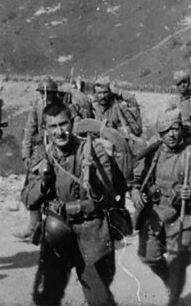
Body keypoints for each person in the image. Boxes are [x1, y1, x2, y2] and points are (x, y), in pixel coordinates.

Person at [21, 102, 126, 306]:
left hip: (91, 231)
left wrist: (94, 179)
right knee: (47, 297)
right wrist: (44, 183)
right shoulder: (43, 155)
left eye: (63, 124)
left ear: (72, 123)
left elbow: (108, 194)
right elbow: (27, 198)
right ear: (45, 129)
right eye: (53, 127)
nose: (59, 132)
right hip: (57, 233)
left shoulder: (93, 150)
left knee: (99, 299)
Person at [130, 109, 191, 306]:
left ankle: (174, 297)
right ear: (160, 133)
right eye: (167, 130)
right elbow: (135, 180)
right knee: (148, 256)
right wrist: (135, 192)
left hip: (181, 215)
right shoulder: (153, 153)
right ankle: (169, 281)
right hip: (154, 213)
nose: (172, 134)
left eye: (175, 129)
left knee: (179, 261)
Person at [16, 77, 64, 241]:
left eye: (49, 94)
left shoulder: (62, 107)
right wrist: (26, 153)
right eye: (43, 94)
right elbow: (30, 129)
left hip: (58, 149)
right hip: (40, 150)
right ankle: (33, 225)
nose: (46, 97)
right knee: (33, 185)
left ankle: (52, 226)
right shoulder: (37, 104)